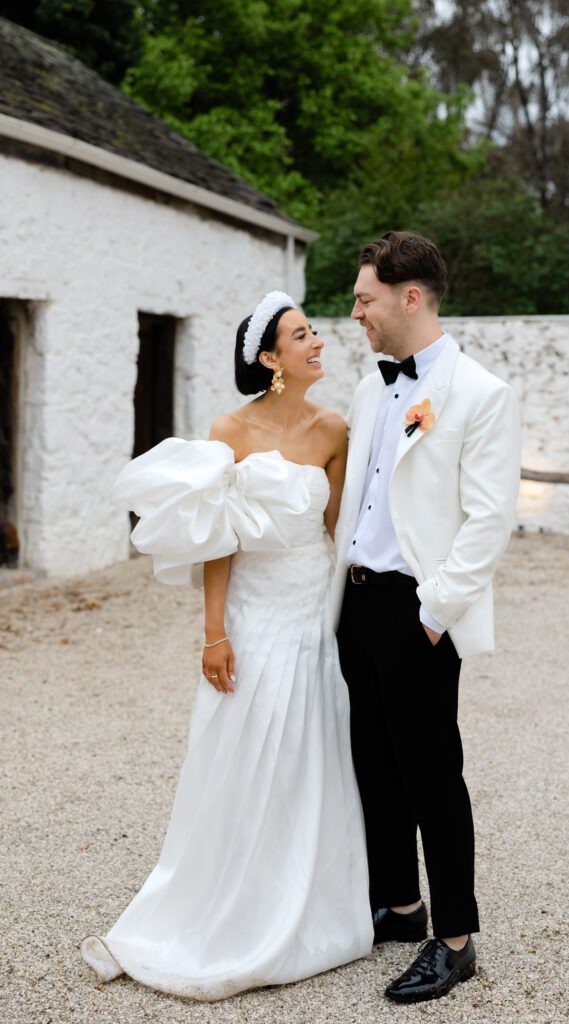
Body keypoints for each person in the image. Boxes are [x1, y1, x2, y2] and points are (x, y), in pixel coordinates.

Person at [80, 291, 373, 1001]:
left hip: (311, 612)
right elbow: (218, 540)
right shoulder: (229, 429)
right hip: (252, 610)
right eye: (300, 336)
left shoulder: (336, 428)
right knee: (241, 746)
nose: (316, 344)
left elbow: (338, 531)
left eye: (313, 333)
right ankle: (219, 904)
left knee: (312, 748)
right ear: (270, 358)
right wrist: (213, 634)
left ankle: (310, 905)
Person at [332, 232, 521, 1004]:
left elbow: (488, 519)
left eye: (364, 300)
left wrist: (434, 612)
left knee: (431, 774)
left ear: (411, 297)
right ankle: (402, 908)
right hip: (355, 598)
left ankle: (454, 939)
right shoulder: (370, 384)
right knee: (372, 764)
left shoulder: (481, 393)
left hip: (416, 611)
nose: (355, 315)